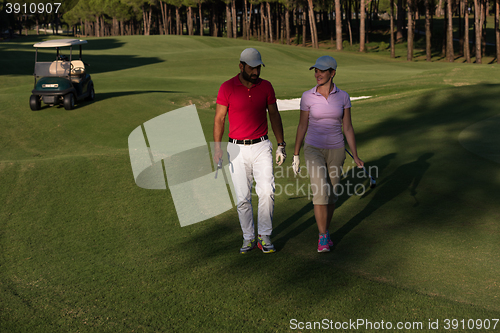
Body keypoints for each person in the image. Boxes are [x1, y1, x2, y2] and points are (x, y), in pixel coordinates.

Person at [213, 48, 286, 254]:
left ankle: (264, 236)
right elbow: (219, 118)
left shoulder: (266, 87)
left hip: (262, 146)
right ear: (241, 66)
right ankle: (248, 237)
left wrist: (281, 144)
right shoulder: (227, 87)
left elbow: (274, 115)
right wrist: (217, 148)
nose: (255, 72)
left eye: (258, 68)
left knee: (267, 191)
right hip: (235, 148)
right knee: (242, 197)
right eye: (251, 68)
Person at [292, 55, 364, 253]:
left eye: (322, 71)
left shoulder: (343, 96)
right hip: (313, 148)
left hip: (337, 150)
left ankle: (326, 231)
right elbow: (302, 125)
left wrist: (355, 156)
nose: (318, 74)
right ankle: (322, 236)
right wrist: (296, 154)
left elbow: (347, 127)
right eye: (316, 70)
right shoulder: (307, 96)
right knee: (321, 192)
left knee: (332, 195)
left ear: (333, 73)